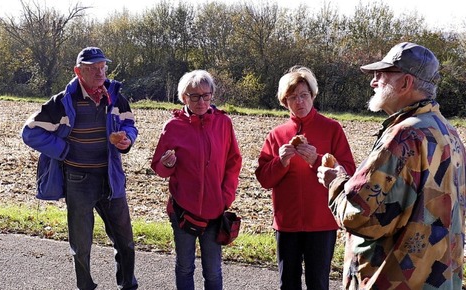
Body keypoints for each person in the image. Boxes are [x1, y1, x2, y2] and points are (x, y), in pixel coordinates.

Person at [317, 42, 465, 289]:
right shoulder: (450, 133)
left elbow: (360, 216)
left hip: (396, 281)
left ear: (406, 83)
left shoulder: (404, 136)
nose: (373, 82)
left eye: (381, 75)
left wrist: (336, 183)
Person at [21, 47, 138, 290]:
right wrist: (63, 151)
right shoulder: (62, 102)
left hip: (110, 178)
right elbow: (29, 132)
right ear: (78, 71)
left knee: (125, 240)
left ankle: (128, 285)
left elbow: (130, 124)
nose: (100, 73)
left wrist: (127, 138)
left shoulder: (116, 97)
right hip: (78, 179)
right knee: (81, 245)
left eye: (103, 67)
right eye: (93, 68)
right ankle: (85, 286)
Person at [255, 66, 356, 290]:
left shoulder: (332, 129)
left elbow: (348, 171)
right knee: (287, 283)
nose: (299, 102)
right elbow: (264, 179)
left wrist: (317, 160)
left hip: (322, 222)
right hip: (287, 223)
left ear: (312, 96)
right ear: (284, 102)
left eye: (304, 95)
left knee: (318, 283)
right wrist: (280, 162)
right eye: (292, 97)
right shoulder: (276, 134)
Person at [150, 70, 242, 290]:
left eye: (206, 95)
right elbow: (159, 168)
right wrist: (167, 164)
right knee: (185, 267)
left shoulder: (223, 123)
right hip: (183, 211)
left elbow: (234, 162)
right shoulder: (173, 127)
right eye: (195, 96)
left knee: (213, 271)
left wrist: (226, 197)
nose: (201, 101)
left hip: (214, 212)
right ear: (184, 97)